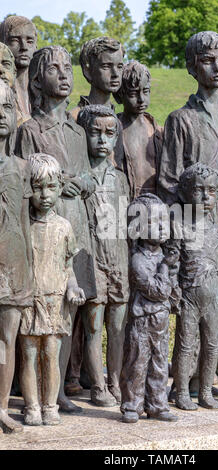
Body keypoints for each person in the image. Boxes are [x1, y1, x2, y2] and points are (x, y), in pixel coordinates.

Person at [15, 45, 96, 413]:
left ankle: (59, 390)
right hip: (43, 234)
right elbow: (23, 178)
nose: (64, 75)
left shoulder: (79, 132)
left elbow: (93, 177)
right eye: (54, 70)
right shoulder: (29, 130)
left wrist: (84, 181)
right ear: (36, 80)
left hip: (76, 229)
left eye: (68, 69)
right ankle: (37, 393)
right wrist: (59, 182)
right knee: (37, 321)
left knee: (70, 318)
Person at [19, 154, 85, 426]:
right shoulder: (24, 226)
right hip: (28, 300)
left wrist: (74, 287)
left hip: (56, 301)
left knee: (52, 355)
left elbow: (68, 265)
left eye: (51, 187)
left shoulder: (64, 227)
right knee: (29, 356)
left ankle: (50, 405)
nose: (45, 195)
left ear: (60, 187)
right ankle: (32, 406)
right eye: (38, 187)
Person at [157, 31, 218, 226]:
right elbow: (169, 183)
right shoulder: (180, 119)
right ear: (192, 66)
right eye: (208, 60)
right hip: (196, 224)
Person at [77, 105, 129, 406]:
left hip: (118, 259)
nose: (102, 140)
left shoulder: (119, 179)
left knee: (118, 328)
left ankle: (115, 382)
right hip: (92, 257)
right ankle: (97, 385)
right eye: (95, 133)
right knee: (93, 326)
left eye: (110, 134)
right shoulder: (81, 177)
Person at [173, 163, 218, 410]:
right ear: (184, 193)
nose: (206, 197)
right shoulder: (180, 227)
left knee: (211, 344)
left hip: (213, 296)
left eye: (212, 191)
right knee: (185, 344)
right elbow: (172, 264)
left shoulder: (217, 230)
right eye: (198, 190)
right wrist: (175, 294)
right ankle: (182, 392)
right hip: (189, 297)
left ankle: (206, 392)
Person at [120, 193, 179, 423]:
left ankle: (157, 404)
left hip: (161, 321)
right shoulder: (138, 261)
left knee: (159, 362)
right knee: (137, 362)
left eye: (164, 221)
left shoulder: (165, 257)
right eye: (155, 222)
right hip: (142, 321)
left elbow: (172, 291)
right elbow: (158, 291)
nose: (163, 227)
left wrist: (171, 272)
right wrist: (165, 268)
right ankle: (132, 405)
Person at [0, 80, 33, 433]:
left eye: (6, 107)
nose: (0, 114)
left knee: (7, 340)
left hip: (14, 265)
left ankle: (2, 406)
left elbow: (24, 223)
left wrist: (31, 272)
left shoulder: (21, 168)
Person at [114, 60, 163, 199]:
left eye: (145, 91)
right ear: (119, 95)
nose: (141, 99)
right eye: (133, 93)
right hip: (126, 200)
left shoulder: (158, 132)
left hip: (155, 203)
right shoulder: (114, 130)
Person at [0, 16, 37, 126]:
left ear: (36, 46)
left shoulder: (43, 91)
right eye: (15, 40)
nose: (24, 47)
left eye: (30, 41)